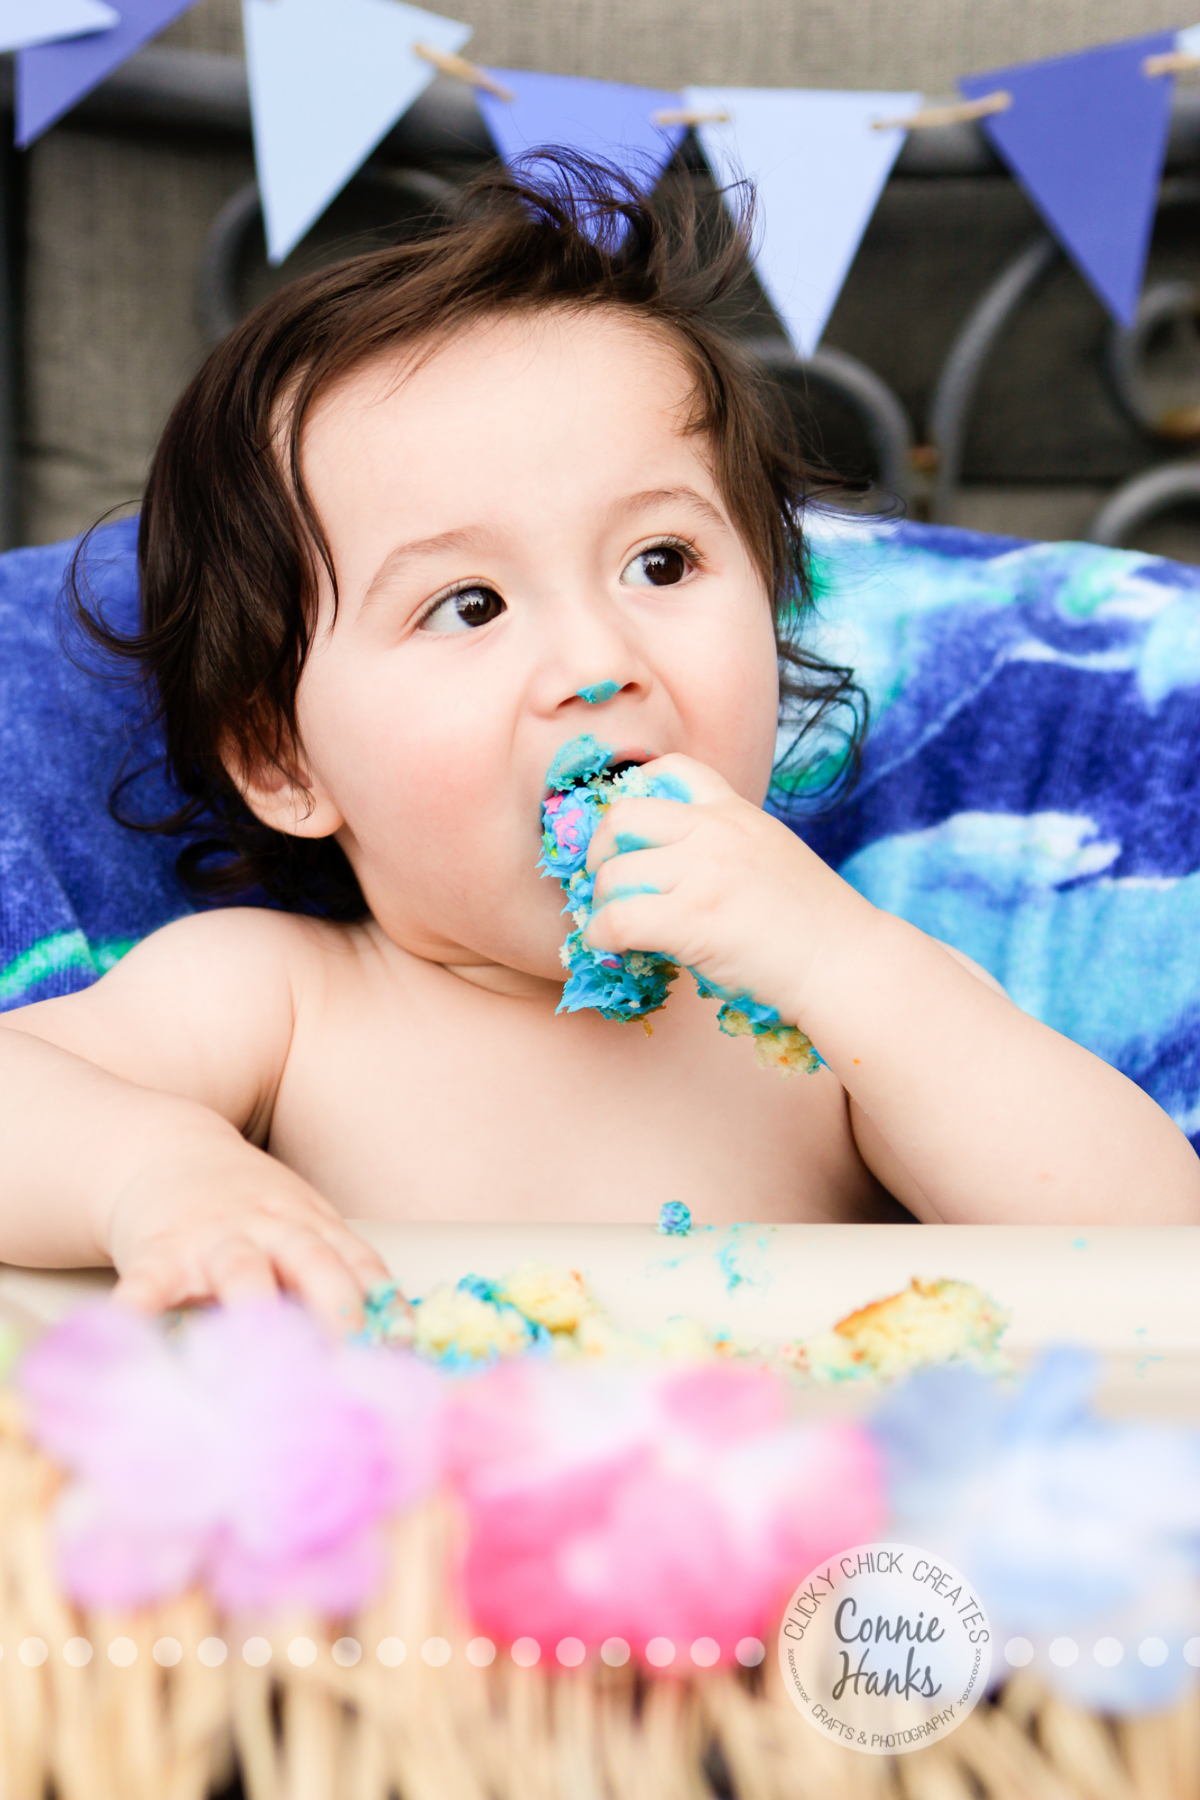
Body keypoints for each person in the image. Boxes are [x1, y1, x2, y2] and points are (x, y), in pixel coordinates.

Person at [1, 157, 1196, 1327]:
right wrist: (159, 1176)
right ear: (284, 760)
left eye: (661, 563)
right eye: (469, 605)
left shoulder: (843, 1022)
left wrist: (846, 969)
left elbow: (1155, 1251)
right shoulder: (281, 1000)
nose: (595, 659)